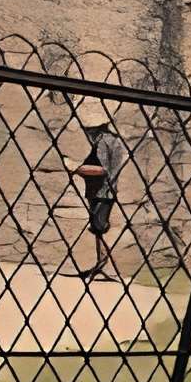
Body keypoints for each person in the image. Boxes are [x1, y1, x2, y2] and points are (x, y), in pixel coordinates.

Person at [61, 102, 128, 278]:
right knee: (99, 229)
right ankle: (101, 265)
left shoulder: (102, 142)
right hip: (103, 192)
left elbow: (102, 170)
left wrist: (75, 168)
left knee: (99, 228)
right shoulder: (113, 140)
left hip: (102, 193)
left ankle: (108, 268)